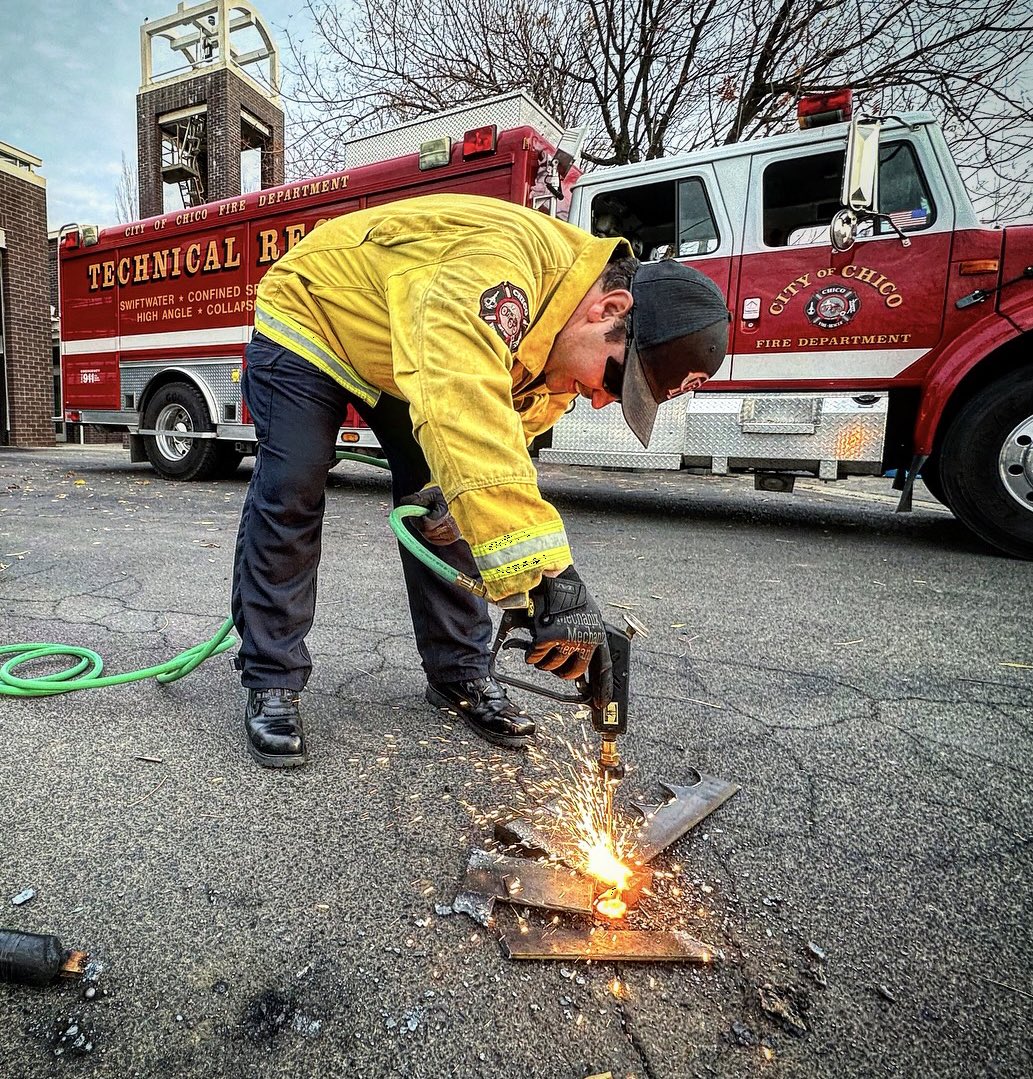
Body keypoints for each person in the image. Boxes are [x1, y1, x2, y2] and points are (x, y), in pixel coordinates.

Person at [231, 193, 730, 768]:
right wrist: (554, 580)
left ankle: (460, 675)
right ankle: (272, 678)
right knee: (293, 486)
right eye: (615, 380)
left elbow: (499, 463)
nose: (599, 400)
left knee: (449, 512)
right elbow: (463, 410)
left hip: (402, 349)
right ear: (608, 309)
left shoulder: (557, 348)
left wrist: (510, 564)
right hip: (313, 319)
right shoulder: (494, 276)